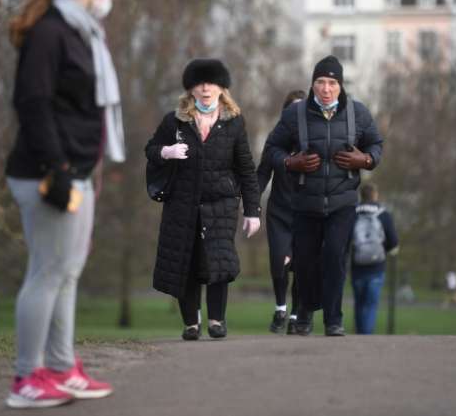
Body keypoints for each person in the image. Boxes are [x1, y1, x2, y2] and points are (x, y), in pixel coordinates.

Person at [4, 0, 126, 408]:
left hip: (74, 171)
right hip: (45, 173)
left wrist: (78, 170)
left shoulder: (80, 31)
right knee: (47, 272)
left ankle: (60, 367)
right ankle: (25, 378)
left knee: (68, 271)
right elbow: (32, 104)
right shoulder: (51, 33)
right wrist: (55, 169)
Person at [264, 55, 383, 336]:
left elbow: (377, 143)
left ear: (340, 86)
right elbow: (272, 149)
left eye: (332, 82)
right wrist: (290, 163)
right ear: (313, 84)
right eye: (320, 82)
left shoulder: (358, 113)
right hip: (304, 201)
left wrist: (365, 160)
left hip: (343, 202)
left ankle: (333, 319)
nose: (326, 88)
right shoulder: (294, 115)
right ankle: (303, 313)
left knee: (334, 256)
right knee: (304, 261)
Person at [145, 58, 261, 340]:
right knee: (187, 261)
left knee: (218, 262)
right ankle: (190, 323)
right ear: (190, 89)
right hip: (182, 204)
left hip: (221, 204)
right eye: (200, 83)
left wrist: (253, 210)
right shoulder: (174, 120)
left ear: (222, 88)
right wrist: (166, 152)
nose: (206, 88)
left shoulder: (234, 122)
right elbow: (150, 149)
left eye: (212, 82)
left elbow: (245, 167)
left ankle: (217, 320)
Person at [258, 89, 306, 334]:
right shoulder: (275, 139)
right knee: (279, 261)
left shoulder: (314, 138)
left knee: (302, 266)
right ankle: (280, 308)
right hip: (279, 210)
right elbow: (263, 172)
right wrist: (252, 204)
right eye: (292, 109)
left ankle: (296, 315)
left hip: (307, 210)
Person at [350, 183, 398, 334]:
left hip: (357, 265)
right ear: (375, 195)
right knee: (370, 304)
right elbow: (393, 241)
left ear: (361, 196)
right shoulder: (383, 214)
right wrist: (385, 250)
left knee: (359, 303)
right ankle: (366, 336)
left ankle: (359, 334)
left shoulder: (352, 213)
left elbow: (345, 238)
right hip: (377, 266)